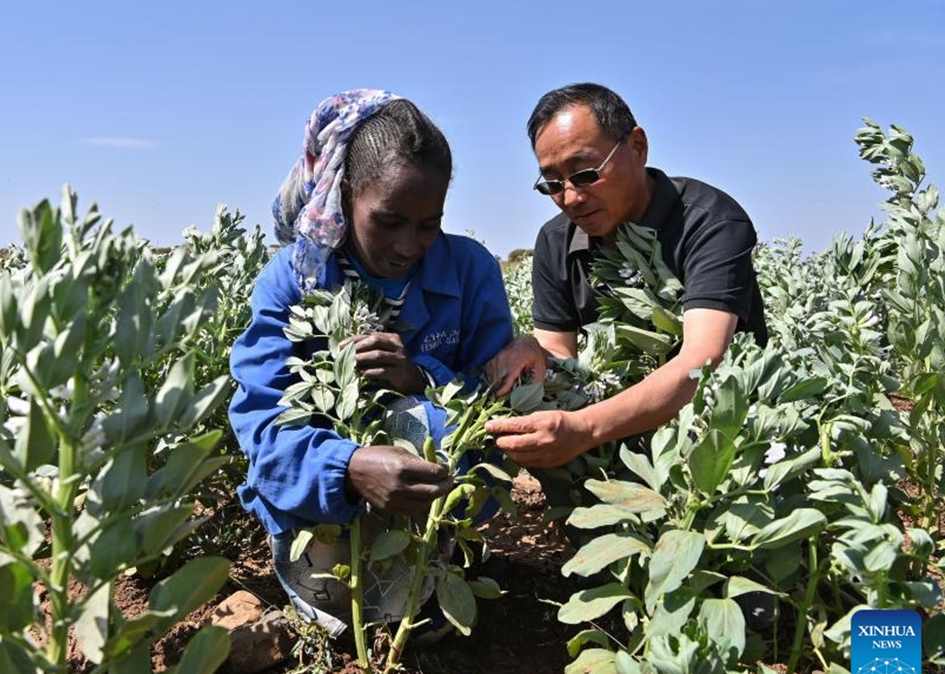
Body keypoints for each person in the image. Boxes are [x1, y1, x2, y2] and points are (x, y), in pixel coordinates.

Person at [228, 89, 514, 637]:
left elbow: (498, 413)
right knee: (337, 615)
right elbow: (262, 430)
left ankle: (436, 576)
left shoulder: (471, 270)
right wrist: (350, 467)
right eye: (389, 220)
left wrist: (423, 378)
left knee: (416, 417)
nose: (410, 245)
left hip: (436, 511)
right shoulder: (293, 280)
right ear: (348, 193)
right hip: (325, 511)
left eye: (429, 224)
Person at [484, 82, 768, 470]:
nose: (570, 197)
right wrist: (533, 349)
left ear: (637, 146)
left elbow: (703, 360)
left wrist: (583, 428)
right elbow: (560, 354)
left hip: (718, 428)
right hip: (615, 433)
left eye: (584, 174)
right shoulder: (555, 241)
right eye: (552, 183)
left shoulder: (709, 221)